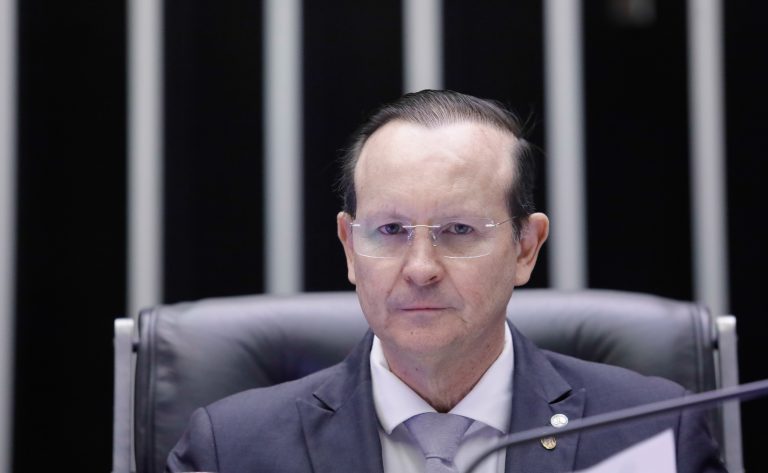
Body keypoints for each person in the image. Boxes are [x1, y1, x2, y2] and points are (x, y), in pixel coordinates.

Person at [166, 90, 726, 473]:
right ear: (349, 247)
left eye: (459, 230)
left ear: (525, 248)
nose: (420, 268)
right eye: (390, 230)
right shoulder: (231, 449)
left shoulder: (652, 430)